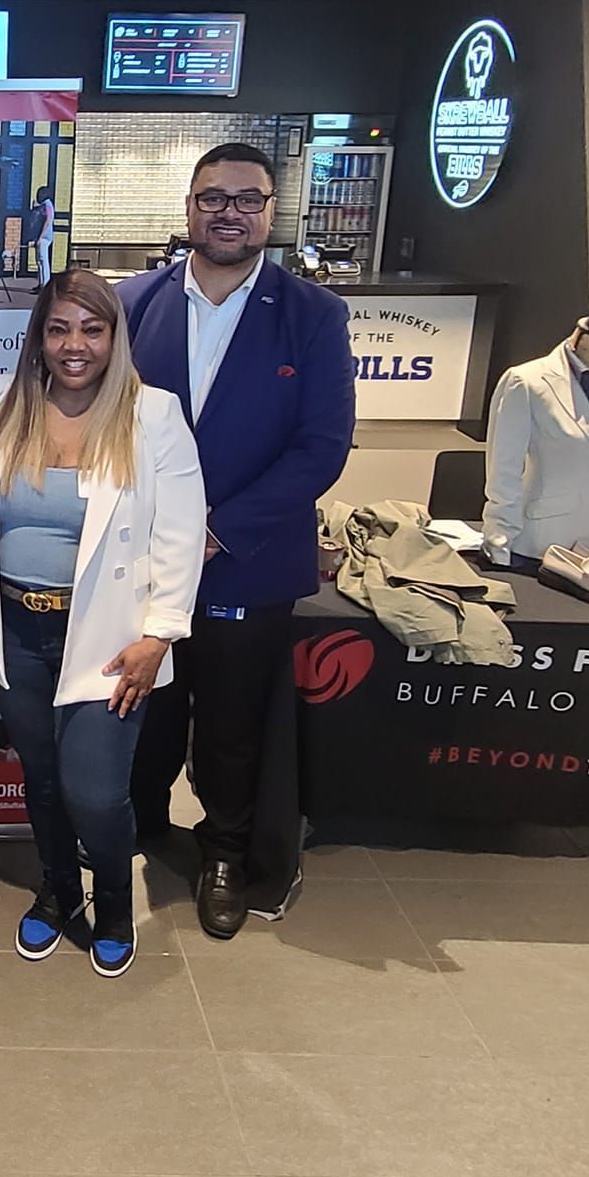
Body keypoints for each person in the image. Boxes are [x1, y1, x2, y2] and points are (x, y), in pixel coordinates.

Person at [0, 271, 206, 977]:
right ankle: (58, 888)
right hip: (17, 629)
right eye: (58, 329)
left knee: (95, 789)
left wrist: (160, 634)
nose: (73, 345)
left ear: (114, 336)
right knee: (42, 779)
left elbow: (180, 532)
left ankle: (112, 899)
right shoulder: (0, 403)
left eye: (90, 329)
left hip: (111, 642)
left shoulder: (154, 416)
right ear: (39, 337)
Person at [120, 142, 356, 939]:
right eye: (212, 197)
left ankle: (223, 852)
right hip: (141, 558)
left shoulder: (314, 316)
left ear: (269, 213)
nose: (229, 211)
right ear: (188, 208)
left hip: (245, 561)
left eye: (247, 198)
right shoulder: (131, 303)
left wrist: (218, 530)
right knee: (143, 705)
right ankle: (139, 825)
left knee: (230, 719)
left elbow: (321, 447)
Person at [30, 183, 56, 288]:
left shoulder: (47, 205)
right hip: (41, 237)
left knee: (43, 260)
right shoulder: (44, 205)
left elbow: (48, 220)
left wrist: (40, 237)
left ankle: (45, 284)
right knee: (39, 261)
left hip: (44, 237)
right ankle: (41, 283)